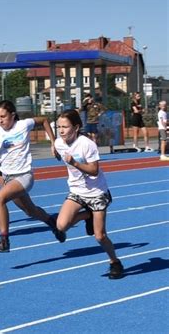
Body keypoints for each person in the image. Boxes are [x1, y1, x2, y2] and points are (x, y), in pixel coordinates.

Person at [0, 100, 65, 252]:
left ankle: (4, 240)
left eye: (3, 116)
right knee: (30, 211)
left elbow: (44, 120)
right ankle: (52, 223)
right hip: (7, 178)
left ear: (12, 115)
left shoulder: (23, 125)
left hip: (24, 176)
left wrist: (53, 143)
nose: (0, 120)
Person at [53, 109, 124, 279]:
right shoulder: (59, 143)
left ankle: (115, 262)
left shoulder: (87, 144)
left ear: (76, 127)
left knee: (100, 236)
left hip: (96, 193)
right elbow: (58, 151)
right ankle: (88, 216)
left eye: (65, 127)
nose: (61, 130)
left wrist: (75, 163)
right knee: (61, 226)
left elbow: (94, 170)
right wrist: (54, 149)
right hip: (77, 191)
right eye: (59, 127)